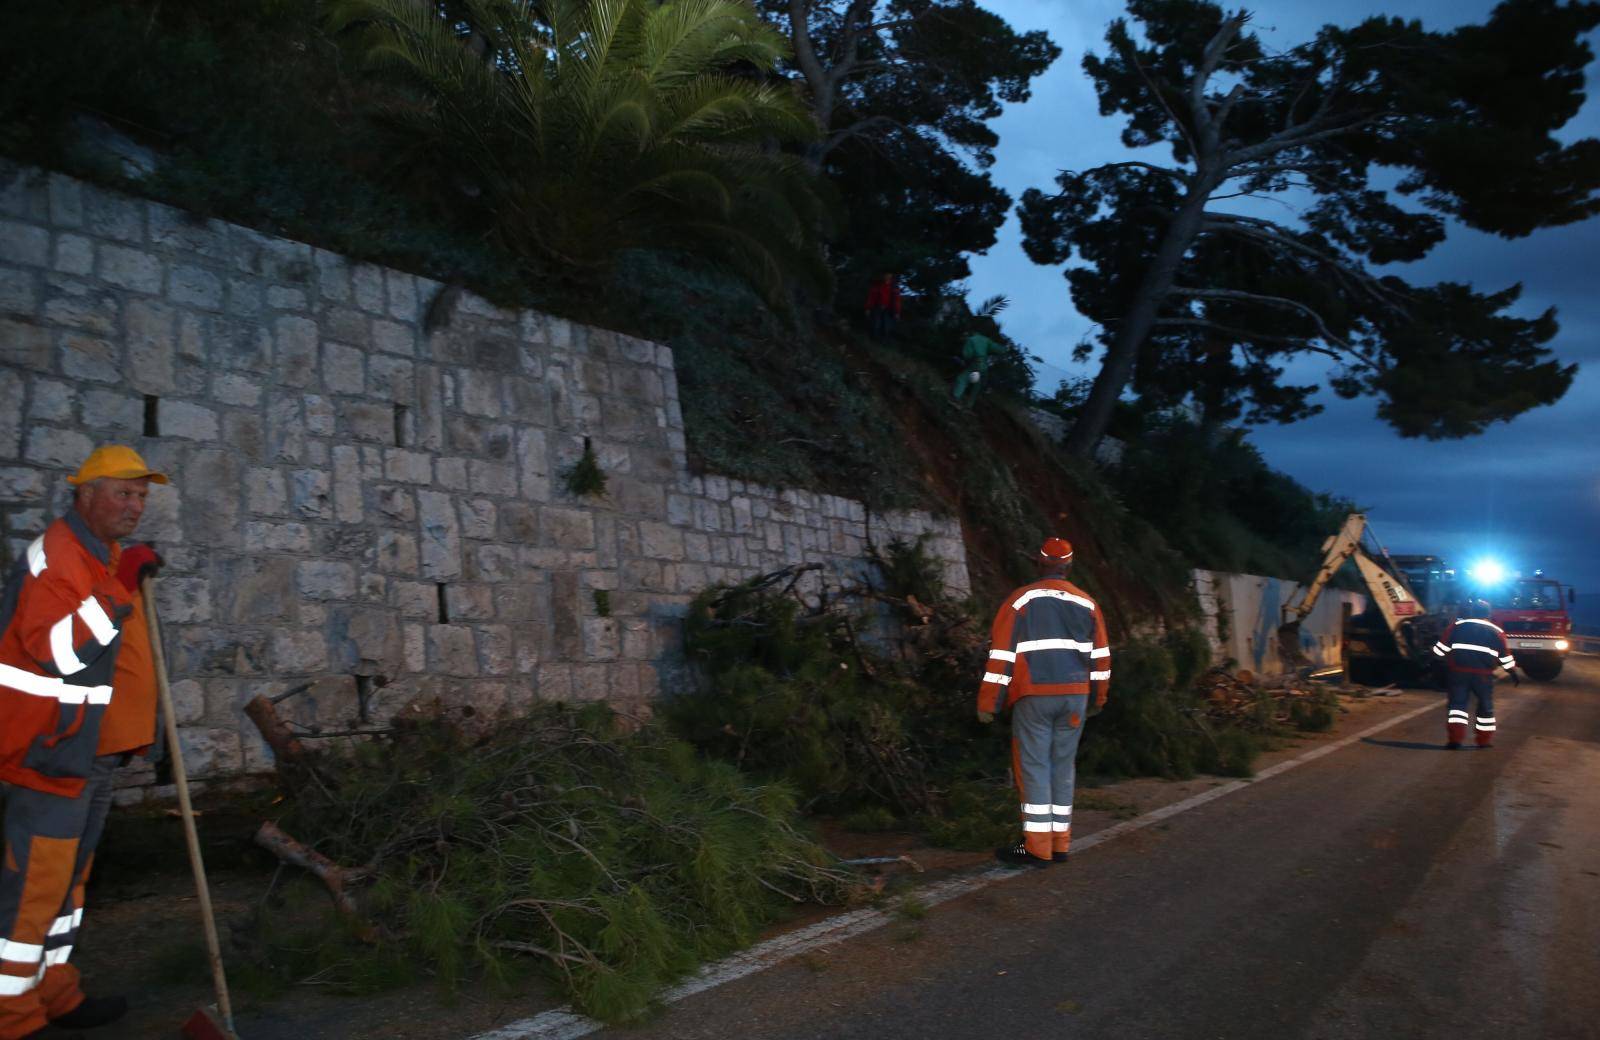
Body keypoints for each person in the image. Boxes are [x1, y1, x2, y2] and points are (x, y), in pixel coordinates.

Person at [0, 445, 167, 1038]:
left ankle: (55, 993)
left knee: (67, 889)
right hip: (54, 753)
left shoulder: (105, 556)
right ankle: (11, 1016)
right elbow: (58, 651)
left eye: (142, 495)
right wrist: (123, 585)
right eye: (124, 492)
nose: (135, 505)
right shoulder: (57, 559)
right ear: (85, 493)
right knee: (33, 887)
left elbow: (125, 659)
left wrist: (149, 731)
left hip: (94, 754)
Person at [977, 537, 1111, 868]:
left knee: (1035, 767)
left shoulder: (1020, 600)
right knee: (1063, 768)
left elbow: (1001, 656)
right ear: (1069, 565)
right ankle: (1059, 843)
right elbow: (1102, 657)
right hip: (1076, 697)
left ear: (1039, 563)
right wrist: (1099, 697)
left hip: (1034, 696)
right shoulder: (1088, 604)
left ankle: (1038, 848)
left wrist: (988, 702)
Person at [1432, 599, 1516, 749]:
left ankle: (1455, 741)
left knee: (1457, 707)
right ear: (1489, 614)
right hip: (1483, 676)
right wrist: (1512, 671)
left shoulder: (1456, 626)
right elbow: (1506, 658)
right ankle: (1483, 741)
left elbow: (1439, 651)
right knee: (1485, 707)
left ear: (1472, 612)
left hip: (1458, 672)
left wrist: (1437, 663)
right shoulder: (1497, 632)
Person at [951, 331, 1001, 408]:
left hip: (976, 366)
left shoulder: (971, 341)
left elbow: (967, 356)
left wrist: (961, 360)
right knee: (975, 389)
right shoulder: (986, 343)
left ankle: (955, 398)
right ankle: (968, 406)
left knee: (962, 379)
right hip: (983, 369)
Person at [864, 273, 902, 339]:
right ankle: (874, 339)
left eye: (889, 274)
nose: (887, 276)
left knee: (886, 326)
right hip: (877, 307)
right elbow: (871, 297)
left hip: (889, 309)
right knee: (876, 324)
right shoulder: (878, 285)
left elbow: (897, 301)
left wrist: (897, 312)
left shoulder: (894, 287)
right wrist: (868, 308)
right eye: (886, 274)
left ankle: (883, 341)